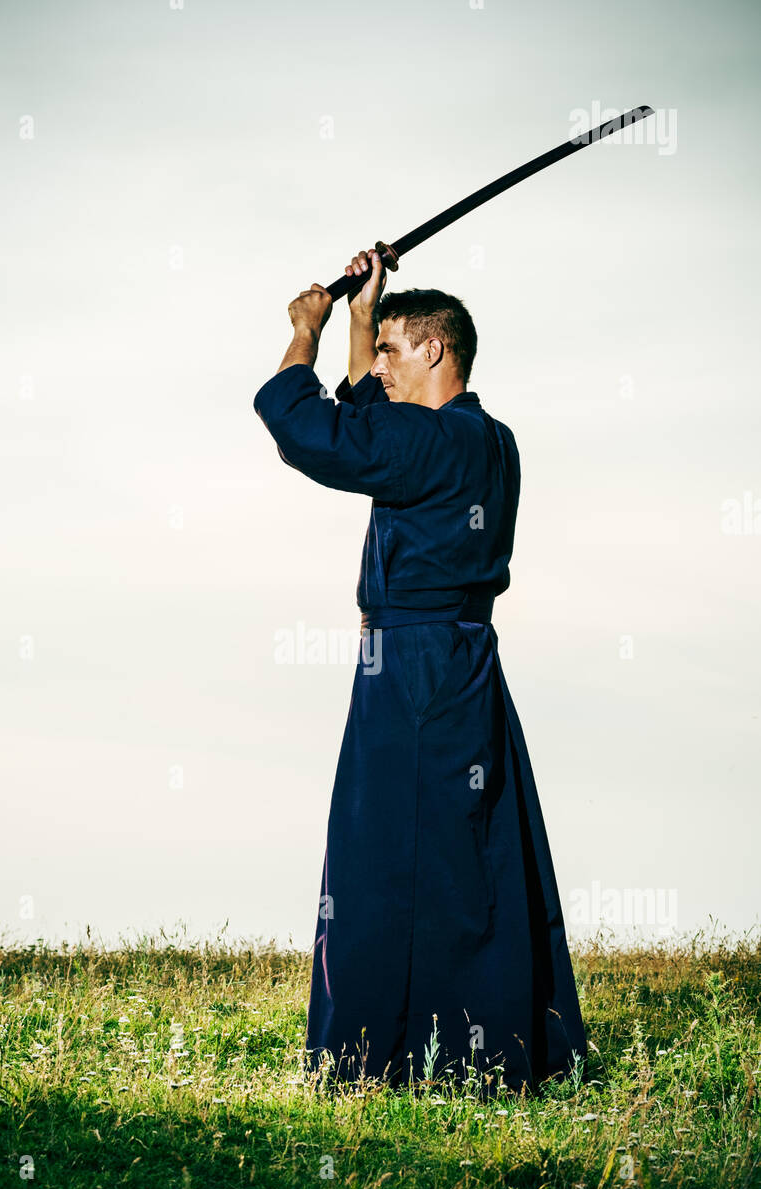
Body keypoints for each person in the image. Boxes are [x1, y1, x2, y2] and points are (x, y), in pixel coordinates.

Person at [253, 247, 587, 1095]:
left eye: (398, 351)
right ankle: (489, 1052)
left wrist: (306, 335)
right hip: (463, 657)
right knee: (467, 854)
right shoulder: (485, 439)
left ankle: (380, 1061)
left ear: (436, 351)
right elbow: (373, 422)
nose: (385, 369)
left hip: (413, 665)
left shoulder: (424, 439)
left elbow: (312, 432)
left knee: (385, 855)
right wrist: (367, 318)